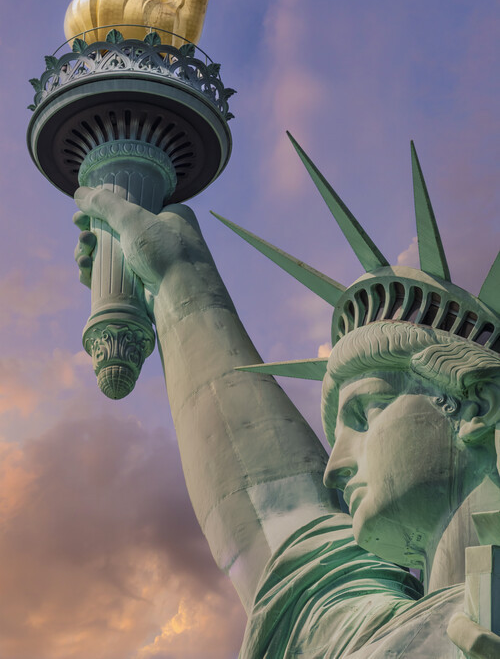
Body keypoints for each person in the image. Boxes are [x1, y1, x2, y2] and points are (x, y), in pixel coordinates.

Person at [73, 136, 500, 658]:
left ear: (476, 406)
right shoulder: (369, 637)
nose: (334, 466)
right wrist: (176, 281)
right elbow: (283, 528)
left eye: (365, 413)